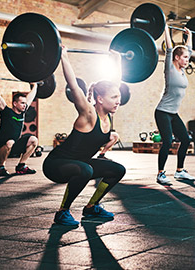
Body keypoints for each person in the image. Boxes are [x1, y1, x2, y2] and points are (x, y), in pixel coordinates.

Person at [42, 45, 126, 226]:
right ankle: (62, 212)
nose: (118, 101)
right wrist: (63, 57)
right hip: (56, 165)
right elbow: (73, 85)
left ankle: (91, 207)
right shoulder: (88, 113)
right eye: (114, 97)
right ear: (100, 99)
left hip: (81, 164)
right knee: (86, 170)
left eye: (118, 97)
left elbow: (115, 84)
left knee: (117, 170)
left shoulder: (109, 115)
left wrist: (117, 61)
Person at [154, 24, 195, 185]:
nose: (187, 60)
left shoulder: (183, 70)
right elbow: (170, 49)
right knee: (168, 141)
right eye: (185, 58)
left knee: (185, 140)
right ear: (177, 58)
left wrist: (189, 34)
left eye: (188, 58)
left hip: (173, 113)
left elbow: (189, 50)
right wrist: (165, 29)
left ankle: (179, 171)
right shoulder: (170, 69)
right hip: (162, 111)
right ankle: (160, 174)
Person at [0, 80, 38, 176]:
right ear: (15, 103)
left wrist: (34, 85)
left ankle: (21, 166)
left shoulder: (22, 113)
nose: (25, 105)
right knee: (10, 142)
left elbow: (31, 97)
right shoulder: (6, 112)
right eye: (22, 103)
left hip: (12, 145)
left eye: (25, 103)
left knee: (33, 140)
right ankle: (1, 167)